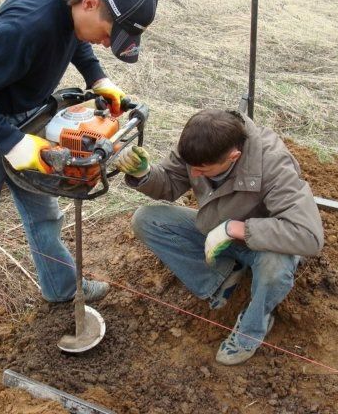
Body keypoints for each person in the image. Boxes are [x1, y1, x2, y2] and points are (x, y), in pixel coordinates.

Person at [0, 0, 158, 410]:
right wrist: (8, 140)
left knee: (43, 213)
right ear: (90, 2)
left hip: (29, 114)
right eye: (106, 32)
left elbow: (76, 38)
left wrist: (97, 75)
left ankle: (60, 286)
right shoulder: (28, 23)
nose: (103, 41)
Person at [115, 109, 323, 365]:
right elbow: (169, 183)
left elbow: (308, 236)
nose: (195, 174)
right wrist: (144, 174)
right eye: (192, 168)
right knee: (146, 219)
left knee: (275, 267)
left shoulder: (273, 166)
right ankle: (221, 279)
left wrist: (236, 229)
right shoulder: (199, 145)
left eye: (204, 170)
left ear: (233, 157)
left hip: (265, 244)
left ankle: (252, 329)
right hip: (215, 229)